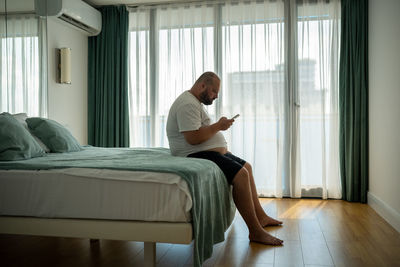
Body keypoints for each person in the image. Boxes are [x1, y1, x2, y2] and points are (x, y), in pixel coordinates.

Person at [166, 72, 283, 246]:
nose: (216, 96)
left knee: (247, 167)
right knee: (241, 175)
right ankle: (255, 231)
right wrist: (218, 126)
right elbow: (192, 138)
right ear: (202, 86)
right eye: (214, 91)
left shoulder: (194, 102)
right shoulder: (187, 104)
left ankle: (262, 217)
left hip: (205, 150)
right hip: (193, 153)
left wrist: (219, 128)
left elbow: (201, 133)